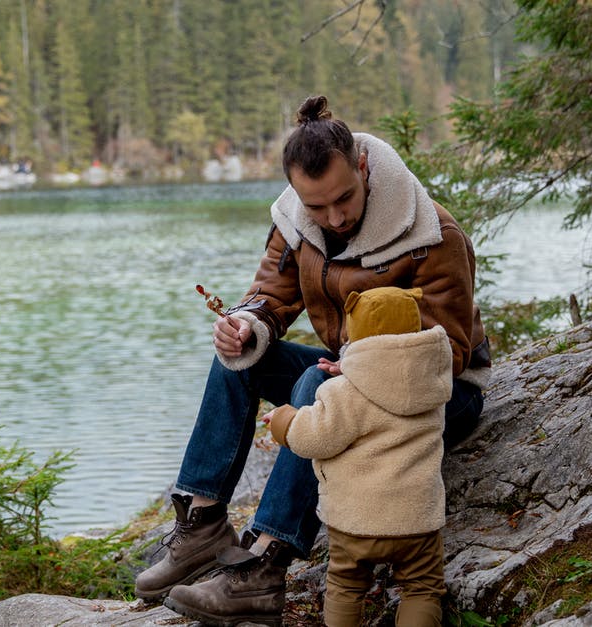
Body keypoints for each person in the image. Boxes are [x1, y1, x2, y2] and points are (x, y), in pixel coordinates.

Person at [137, 95, 491, 626]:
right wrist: (245, 327)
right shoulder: (297, 220)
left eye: (343, 199)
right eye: (317, 206)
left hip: (444, 394)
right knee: (238, 361)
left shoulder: (431, 234)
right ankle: (204, 522)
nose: (334, 216)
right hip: (350, 374)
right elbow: (270, 297)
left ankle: (264, 567)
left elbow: (452, 347)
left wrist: (361, 368)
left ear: (363, 166)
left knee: (314, 384)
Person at [264, 286, 451, 627]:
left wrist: (282, 420)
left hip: (357, 521)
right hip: (418, 519)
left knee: (346, 586)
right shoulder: (434, 388)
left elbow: (314, 437)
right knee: (423, 590)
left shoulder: (344, 391)